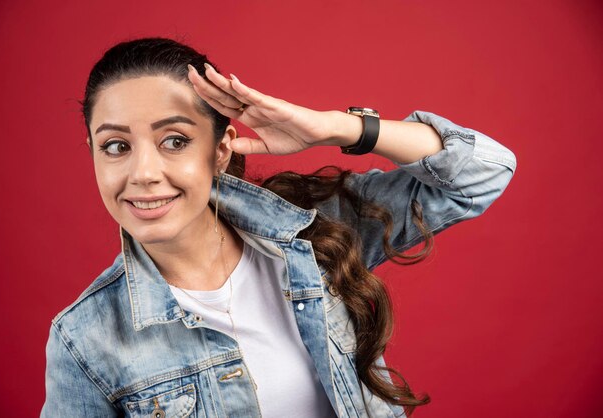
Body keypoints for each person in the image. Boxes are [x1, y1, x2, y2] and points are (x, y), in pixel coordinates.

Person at [40, 37, 517, 418]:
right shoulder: (85, 339)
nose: (142, 173)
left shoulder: (315, 236)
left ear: (221, 150)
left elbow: (485, 172)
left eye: (175, 140)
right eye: (116, 147)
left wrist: (337, 128)